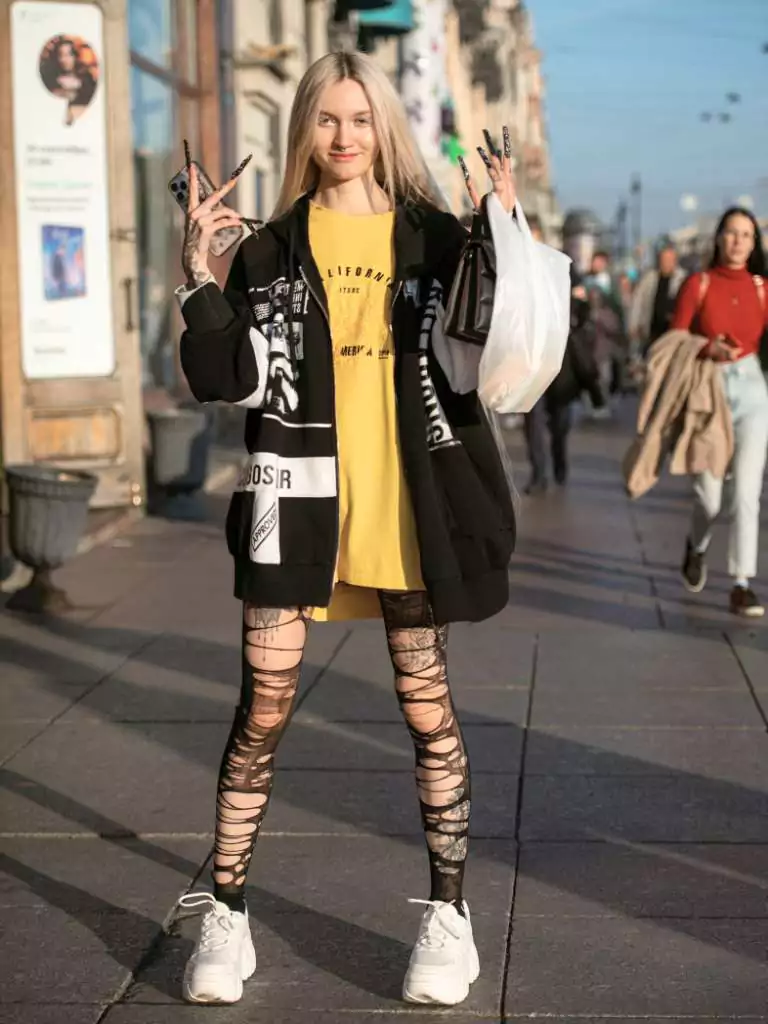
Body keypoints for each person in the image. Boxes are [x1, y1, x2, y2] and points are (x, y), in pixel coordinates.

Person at [174, 51, 518, 1008]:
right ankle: (228, 915)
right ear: (304, 131)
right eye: (326, 119)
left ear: (384, 128)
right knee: (263, 713)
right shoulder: (271, 246)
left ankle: (449, 917)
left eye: (360, 118)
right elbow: (225, 381)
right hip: (298, 502)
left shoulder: (433, 238)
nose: (343, 137)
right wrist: (200, 278)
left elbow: (497, 350)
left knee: (427, 713)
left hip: (411, 502)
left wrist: (503, 233)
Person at [673, 206, 768, 617]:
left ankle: (741, 583)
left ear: (754, 243)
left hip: (751, 391)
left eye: (746, 235)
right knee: (709, 499)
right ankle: (697, 544)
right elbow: (675, 340)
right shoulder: (699, 283)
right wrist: (706, 348)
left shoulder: (762, 288)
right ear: (718, 238)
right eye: (731, 233)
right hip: (708, 390)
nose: (738, 241)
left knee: (747, 493)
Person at [524, 269, 605, 492]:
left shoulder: (572, 299)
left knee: (560, 428)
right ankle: (538, 474)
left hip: (563, 375)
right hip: (535, 372)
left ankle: (559, 463)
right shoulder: (530, 295)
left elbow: (586, 327)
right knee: (534, 425)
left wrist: (580, 301)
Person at [628, 241, 686, 356]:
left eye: (670, 259)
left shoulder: (682, 280)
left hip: (672, 333)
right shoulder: (649, 279)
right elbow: (638, 302)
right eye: (663, 259)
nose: (666, 263)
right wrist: (634, 324)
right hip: (651, 332)